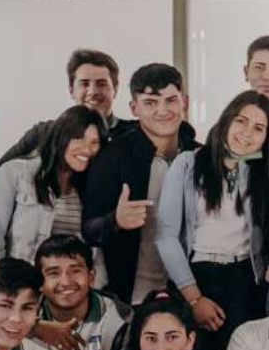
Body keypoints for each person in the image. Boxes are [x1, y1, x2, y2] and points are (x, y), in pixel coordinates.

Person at [158, 90, 269, 350]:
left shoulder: (266, 174)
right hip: (195, 276)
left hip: (243, 280)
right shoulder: (188, 163)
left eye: (259, 128)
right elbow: (166, 237)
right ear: (227, 120)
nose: (247, 133)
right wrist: (194, 299)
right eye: (241, 121)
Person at [82, 62, 197, 318]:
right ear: (134, 107)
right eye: (151, 102)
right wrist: (116, 221)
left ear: (185, 102)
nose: (163, 110)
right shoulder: (113, 156)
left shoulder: (200, 156)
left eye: (171, 100)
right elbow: (89, 228)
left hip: (191, 294)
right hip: (130, 296)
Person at [0, 104, 105, 277]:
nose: (87, 149)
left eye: (94, 142)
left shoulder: (87, 189)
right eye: (79, 138)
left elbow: (93, 254)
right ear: (61, 136)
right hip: (21, 289)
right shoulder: (15, 173)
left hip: (68, 294)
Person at [0, 48, 125, 166]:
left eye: (101, 84)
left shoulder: (134, 134)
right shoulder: (43, 133)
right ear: (71, 90)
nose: (92, 92)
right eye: (84, 83)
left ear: (116, 90)